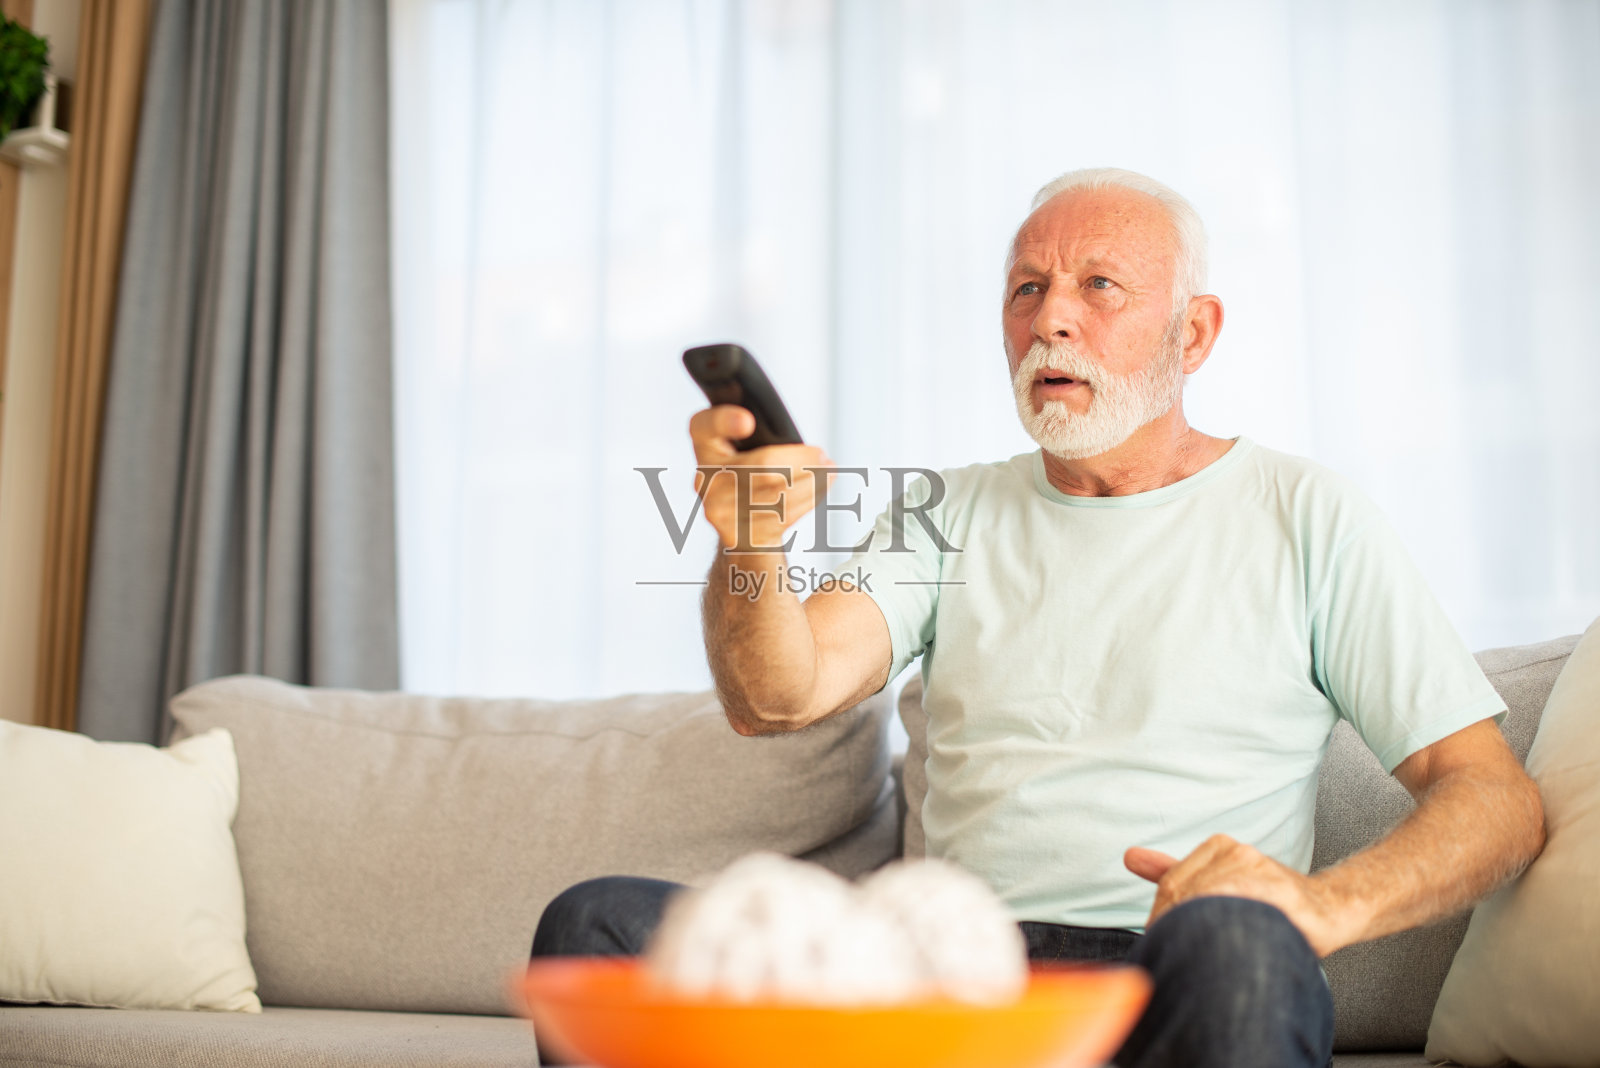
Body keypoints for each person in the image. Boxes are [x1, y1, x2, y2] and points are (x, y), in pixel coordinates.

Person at [530, 168, 1546, 1068]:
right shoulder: (947, 511)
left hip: (1165, 965)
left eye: (1097, 286)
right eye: (1027, 289)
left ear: (1191, 333)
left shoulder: (1303, 512)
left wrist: (1320, 906)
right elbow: (774, 696)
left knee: (1242, 940)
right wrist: (750, 540)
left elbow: (1493, 798)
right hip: (939, 977)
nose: (1050, 318)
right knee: (600, 926)